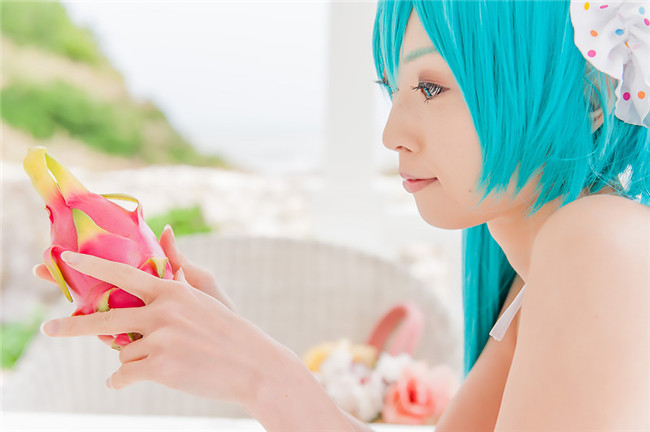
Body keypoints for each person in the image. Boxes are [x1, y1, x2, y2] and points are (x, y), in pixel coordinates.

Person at [35, 0, 649, 430]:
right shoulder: (543, 276)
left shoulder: (599, 243)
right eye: (393, 89)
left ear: (589, 97)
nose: (392, 134)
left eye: (431, 87)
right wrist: (237, 351)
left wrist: (261, 373)